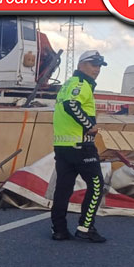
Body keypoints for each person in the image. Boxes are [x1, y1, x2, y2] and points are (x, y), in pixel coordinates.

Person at [51, 50, 108, 243]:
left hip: (62, 145)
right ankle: (85, 227)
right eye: (93, 64)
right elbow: (71, 105)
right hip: (81, 145)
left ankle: (59, 229)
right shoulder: (81, 85)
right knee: (97, 185)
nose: (97, 69)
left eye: (99, 65)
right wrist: (89, 125)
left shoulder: (67, 84)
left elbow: (65, 105)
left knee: (63, 188)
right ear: (81, 65)